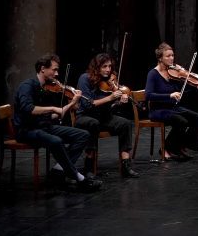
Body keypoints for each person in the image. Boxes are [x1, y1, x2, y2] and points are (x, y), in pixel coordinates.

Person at [14, 54, 101, 191]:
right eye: (54, 70)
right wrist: (53, 108)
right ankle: (79, 177)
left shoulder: (46, 89)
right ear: (43, 69)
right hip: (27, 130)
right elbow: (27, 108)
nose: (57, 73)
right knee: (56, 141)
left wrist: (72, 103)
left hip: (44, 127)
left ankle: (58, 170)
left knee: (83, 135)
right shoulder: (27, 86)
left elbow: (56, 114)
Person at [75, 53, 139, 178]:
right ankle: (89, 166)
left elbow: (112, 106)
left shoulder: (110, 81)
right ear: (97, 67)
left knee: (125, 123)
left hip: (104, 117)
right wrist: (110, 97)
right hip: (85, 117)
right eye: (104, 66)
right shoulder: (85, 78)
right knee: (93, 123)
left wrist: (119, 102)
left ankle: (126, 165)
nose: (108, 70)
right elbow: (88, 105)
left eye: (110, 66)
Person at [143, 43, 198, 161]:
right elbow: (148, 95)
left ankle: (180, 146)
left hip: (173, 108)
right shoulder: (153, 74)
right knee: (181, 121)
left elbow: (183, 91)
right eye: (168, 56)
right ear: (160, 58)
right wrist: (169, 95)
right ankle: (165, 148)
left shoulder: (173, 72)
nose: (171, 58)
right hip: (158, 110)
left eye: (172, 55)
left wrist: (197, 86)